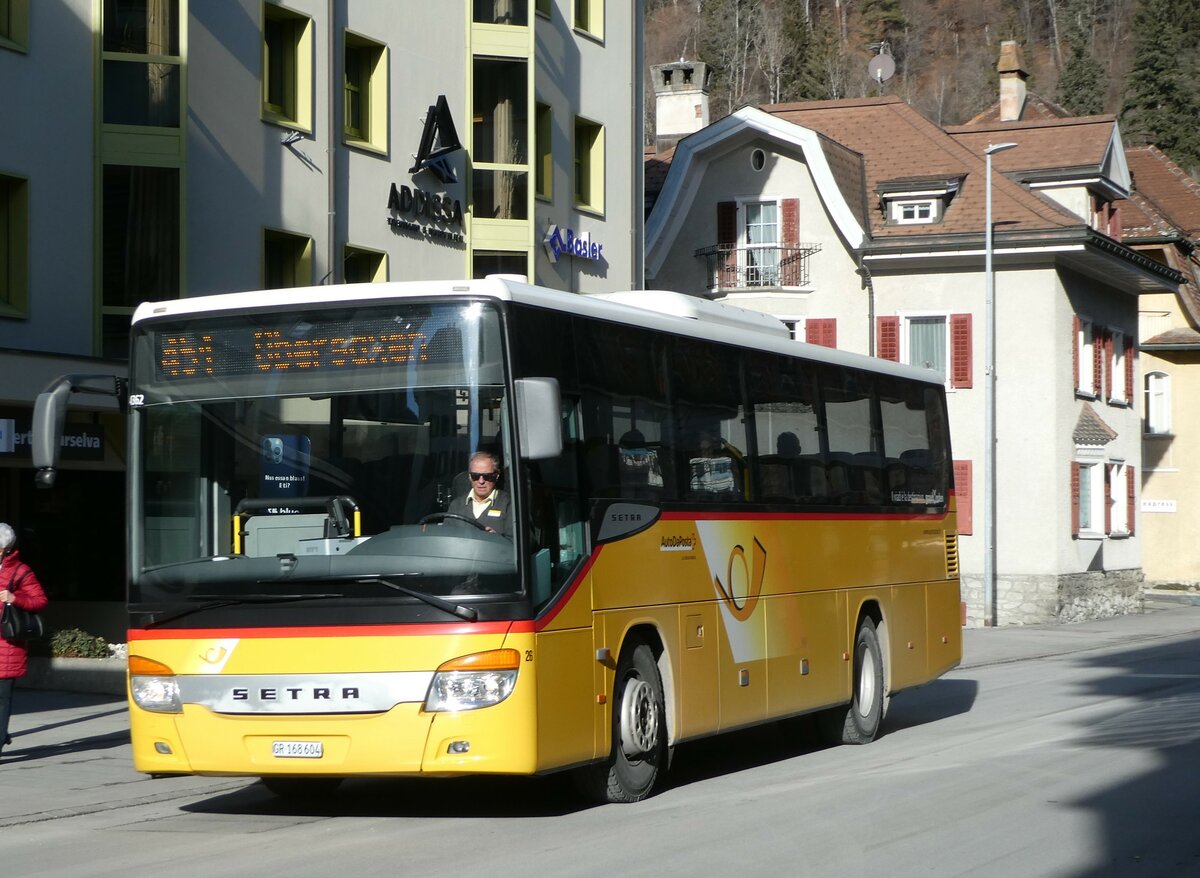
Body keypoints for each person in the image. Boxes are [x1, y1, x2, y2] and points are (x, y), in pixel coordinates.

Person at [0, 523, 48, 760]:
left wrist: (14, 598)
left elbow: (39, 601)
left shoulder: (20, 571)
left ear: (4, 549)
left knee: (1, 699)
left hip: (7, 646)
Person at [459, 451, 512, 538]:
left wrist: (498, 539)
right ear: (469, 476)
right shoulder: (456, 505)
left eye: (487, 476)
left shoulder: (510, 505)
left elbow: (524, 543)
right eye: (475, 476)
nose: (481, 481)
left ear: (497, 475)